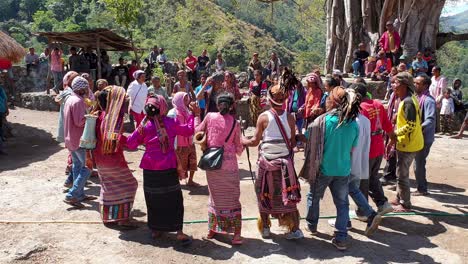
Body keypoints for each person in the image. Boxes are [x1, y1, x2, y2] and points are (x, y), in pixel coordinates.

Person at [126, 95, 199, 246]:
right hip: (168, 166)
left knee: (154, 199)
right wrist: (194, 115)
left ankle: (156, 229)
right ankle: (178, 232)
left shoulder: (143, 125)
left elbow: (131, 144)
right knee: (174, 200)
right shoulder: (170, 123)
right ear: (163, 107)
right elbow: (189, 130)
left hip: (150, 167)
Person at [242, 84, 303, 240]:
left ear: (269, 99)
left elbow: (255, 141)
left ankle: (266, 229)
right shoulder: (290, 117)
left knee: (262, 193)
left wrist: (243, 140)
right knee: (288, 195)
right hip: (285, 165)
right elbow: (293, 143)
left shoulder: (263, 117)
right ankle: (295, 229)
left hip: (266, 164)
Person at [302, 87, 360, 251]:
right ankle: (341, 237)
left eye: (328, 98)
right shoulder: (353, 123)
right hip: (343, 170)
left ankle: (312, 225)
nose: (325, 100)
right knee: (342, 204)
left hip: (323, 169)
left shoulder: (323, 121)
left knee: (313, 196)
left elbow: (307, 138)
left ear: (333, 102)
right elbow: (351, 149)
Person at [196, 93, 244, 245]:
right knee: (232, 199)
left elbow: (197, 131)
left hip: (213, 165)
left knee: (215, 198)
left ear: (218, 105)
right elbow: (239, 148)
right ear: (231, 106)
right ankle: (236, 235)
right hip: (230, 167)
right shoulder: (235, 123)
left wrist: (197, 116)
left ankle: (213, 229)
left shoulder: (209, 116)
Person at [93, 86, 138, 228]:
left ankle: (108, 217)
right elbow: (111, 137)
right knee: (129, 185)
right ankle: (122, 219)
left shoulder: (100, 114)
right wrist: (128, 140)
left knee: (108, 186)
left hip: (100, 157)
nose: (126, 102)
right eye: (124, 99)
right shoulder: (113, 119)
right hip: (112, 159)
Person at [352, 83, 395, 217]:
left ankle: (363, 211)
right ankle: (383, 203)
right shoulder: (378, 105)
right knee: (373, 177)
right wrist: (392, 141)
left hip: (367, 148)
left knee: (363, 181)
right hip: (378, 146)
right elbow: (388, 125)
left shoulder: (360, 109)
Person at [390, 72, 424, 212]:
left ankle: (405, 203)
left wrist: (395, 133)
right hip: (412, 142)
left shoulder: (408, 102)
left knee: (402, 175)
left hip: (407, 144)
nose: (393, 85)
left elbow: (411, 125)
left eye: (396, 83)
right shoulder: (410, 99)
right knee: (400, 172)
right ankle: (399, 197)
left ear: (404, 85)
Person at [63, 76, 95, 207]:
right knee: (88, 167)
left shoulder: (70, 99)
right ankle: (72, 194)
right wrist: (91, 117)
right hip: (78, 140)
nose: (87, 90)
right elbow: (79, 122)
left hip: (71, 139)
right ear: (81, 89)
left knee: (77, 167)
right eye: (86, 88)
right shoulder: (77, 101)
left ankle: (79, 194)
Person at [413, 74, 436, 196]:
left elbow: (430, 119)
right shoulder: (417, 97)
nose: (415, 85)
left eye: (418, 83)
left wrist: (417, 128)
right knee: (417, 163)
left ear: (425, 85)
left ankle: (422, 189)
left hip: (424, 138)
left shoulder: (428, 100)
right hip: (417, 137)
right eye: (415, 82)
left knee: (419, 163)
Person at [170, 92, 199, 186]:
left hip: (189, 141)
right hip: (178, 143)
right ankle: (175, 182)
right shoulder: (172, 113)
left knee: (192, 160)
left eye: (187, 99)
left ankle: (190, 180)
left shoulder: (187, 110)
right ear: (179, 100)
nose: (187, 101)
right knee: (179, 163)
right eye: (184, 99)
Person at [287, 79, 307, 151]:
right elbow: (289, 100)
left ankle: (299, 143)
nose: (295, 85)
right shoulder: (292, 91)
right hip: (292, 113)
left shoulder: (304, 91)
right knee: (292, 128)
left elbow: (306, 102)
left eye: (296, 83)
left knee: (299, 128)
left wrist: (302, 108)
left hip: (300, 114)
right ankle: (293, 143)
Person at [429, 66, 448, 132]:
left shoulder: (442, 79)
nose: (432, 72)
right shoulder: (432, 78)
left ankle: (438, 129)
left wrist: (437, 100)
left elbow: (442, 92)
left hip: (438, 100)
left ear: (438, 71)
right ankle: (433, 129)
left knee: (438, 116)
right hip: (431, 99)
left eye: (433, 71)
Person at [0, 84, 8, 155]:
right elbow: (5, 99)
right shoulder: (1, 89)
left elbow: (5, 99)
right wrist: (7, 109)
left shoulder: (0, 89)